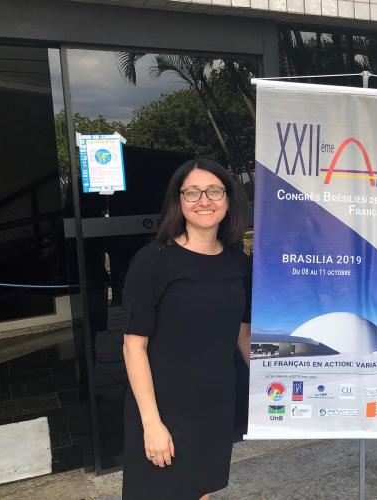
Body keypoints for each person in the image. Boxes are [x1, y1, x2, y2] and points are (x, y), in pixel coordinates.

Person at [121, 158, 252, 499]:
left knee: (202, 490)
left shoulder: (238, 262)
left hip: (216, 405)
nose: (204, 201)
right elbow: (133, 347)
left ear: (228, 199)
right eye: (192, 192)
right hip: (163, 407)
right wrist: (151, 423)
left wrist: (275, 383)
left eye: (214, 191)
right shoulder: (153, 261)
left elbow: (243, 333)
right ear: (178, 201)